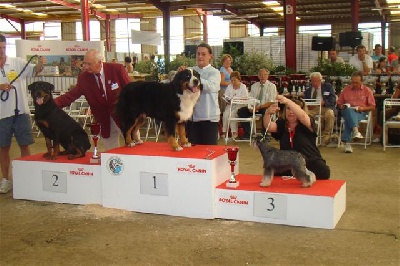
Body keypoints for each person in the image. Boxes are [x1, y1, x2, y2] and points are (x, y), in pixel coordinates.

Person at [55, 49, 130, 151]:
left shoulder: (117, 69)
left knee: (133, 148)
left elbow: (130, 91)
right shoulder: (83, 78)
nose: (85, 67)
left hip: (124, 117)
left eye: (89, 64)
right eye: (84, 63)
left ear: (100, 62)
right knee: (111, 154)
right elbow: (71, 95)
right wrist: (51, 104)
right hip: (104, 121)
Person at [0, 33, 44, 193]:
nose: (2, 51)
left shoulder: (17, 62)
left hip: (20, 113)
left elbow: (34, 71)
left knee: (24, 144)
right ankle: (5, 179)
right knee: (3, 147)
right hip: (1, 115)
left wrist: (40, 64)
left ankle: (26, 177)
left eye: (4, 48)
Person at [263, 95, 330, 180]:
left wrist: (288, 101)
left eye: (293, 109)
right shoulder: (281, 123)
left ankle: (301, 174)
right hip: (287, 162)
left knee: (324, 172)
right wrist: (267, 113)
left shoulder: (307, 122)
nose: (291, 112)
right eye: (288, 109)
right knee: (273, 170)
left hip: (308, 160)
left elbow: (302, 117)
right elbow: (268, 126)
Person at [178, 42, 220, 145]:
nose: (200, 56)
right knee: (193, 152)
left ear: (210, 56)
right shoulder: (190, 71)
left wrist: (194, 80)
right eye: (198, 54)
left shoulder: (214, 72)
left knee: (209, 151)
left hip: (209, 118)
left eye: (203, 54)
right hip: (192, 118)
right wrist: (180, 74)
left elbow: (211, 86)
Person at [337, 71, 376, 153]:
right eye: (353, 82)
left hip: (360, 112)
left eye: (357, 83)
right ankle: (356, 131)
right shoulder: (346, 90)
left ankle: (347, 144)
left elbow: (372, 106)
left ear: (362, 81)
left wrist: (362, 108)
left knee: (349, 118)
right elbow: (339, 103)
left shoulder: (367, 90)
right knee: (349, 111)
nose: (354, 84)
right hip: (347, 111)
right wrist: (342, 106)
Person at [237, 68, 277, 139]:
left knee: (266, 112)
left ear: (268, 76)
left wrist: (259, 107)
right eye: (261, 75)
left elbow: (271, 102)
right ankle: (248, 133)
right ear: (258, 76)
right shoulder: (254, 86)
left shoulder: (272, 86)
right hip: (255, 107)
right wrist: (250, 107)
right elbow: (250, 99)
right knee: (241, 111)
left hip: (265, 106)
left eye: (265, 75)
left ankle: (264, 134)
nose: (263, 76)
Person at [303, 72, 337, 146]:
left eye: (317, 81)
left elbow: (333, 100)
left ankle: (327, 135)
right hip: (312, 109)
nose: (315, 83)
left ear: (321, 80)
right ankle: (307, 135)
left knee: (330, 113)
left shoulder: (328, 87)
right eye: (313, 81)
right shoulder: (307, 91)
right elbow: (305, 102)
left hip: (325, 107)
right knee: (303, 115)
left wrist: (324, 102)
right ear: (310, 81)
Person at [220, 71, 248, 139]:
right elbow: (226, 96)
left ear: (239, 79)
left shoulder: (243, 86)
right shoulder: (229, 86)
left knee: (232, 114)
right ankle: (224, 131)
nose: (233, 82)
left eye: (234, 80)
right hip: (231, 104)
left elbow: (246, 98)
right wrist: (227, 100)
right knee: (226, 113)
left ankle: (234, 132)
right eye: (231, 80)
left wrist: (237, 99)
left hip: (240, 105)